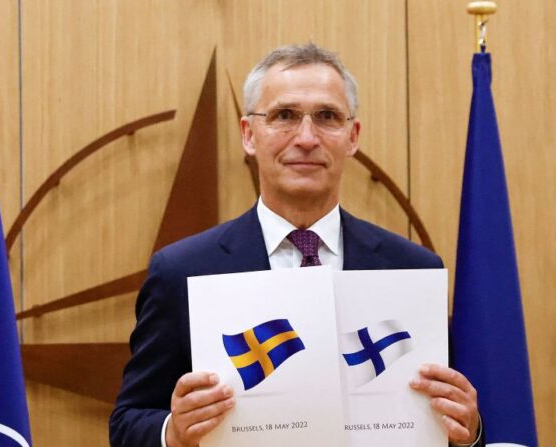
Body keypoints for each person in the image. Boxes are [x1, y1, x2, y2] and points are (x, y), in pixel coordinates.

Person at [109, 43, 483, 447]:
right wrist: (174, 433)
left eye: (327, 117)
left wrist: (470, 430)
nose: (306, 138)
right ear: (249, 135)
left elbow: (451, 424)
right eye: (284, 116)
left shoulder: (412, 270)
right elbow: (128, 424)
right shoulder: (181, 272)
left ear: (352, 137)